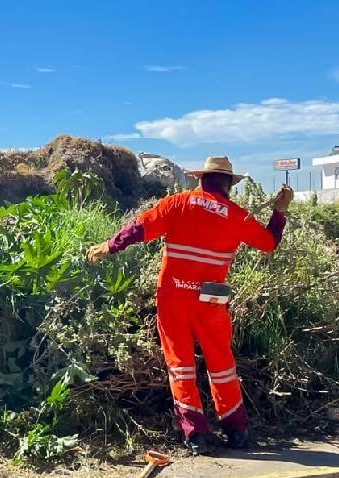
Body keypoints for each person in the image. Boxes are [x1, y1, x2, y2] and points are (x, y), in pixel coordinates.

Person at [86, 156, 292, 455]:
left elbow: (139, 229)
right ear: (229, 185)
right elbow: (270, 243)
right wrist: (279, 211)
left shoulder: (177, 203)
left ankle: (196, 435)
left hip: (174, 298)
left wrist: (109, 246)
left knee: (181, 365)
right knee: (221, 363)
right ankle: (237, 430)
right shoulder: (236, 215)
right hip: (212, 300)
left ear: (201, 179)